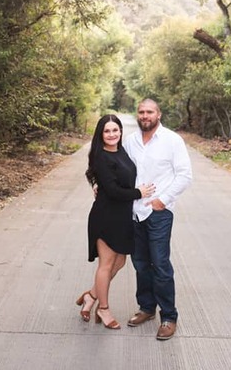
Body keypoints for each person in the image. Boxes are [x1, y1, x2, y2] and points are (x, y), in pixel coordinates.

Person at [76, 114, 155, 329]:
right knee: (107, 264)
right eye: (107, 131)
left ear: (120, 132)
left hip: (123, 217)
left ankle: (91, 296)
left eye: (115, 130)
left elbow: (93, 175)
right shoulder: (102, 156)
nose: (112, 134)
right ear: (101, 135)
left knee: (119, 262)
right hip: (106, 216)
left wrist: (94, 182)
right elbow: (112, 190)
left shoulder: (122, 152)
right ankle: (103, 308)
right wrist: (139, 193)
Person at [123, 98, 193, 340]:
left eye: (149, 112)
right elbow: (120, 170)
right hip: (134, 212)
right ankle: (146, 308)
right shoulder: (130, 141)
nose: (145, 116)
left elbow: (184, 175)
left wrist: (162, 200)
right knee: (140, 263)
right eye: (141, 112)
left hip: (159, 212)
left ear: (159, 114)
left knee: (160, 264)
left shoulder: (172, 141)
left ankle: (169, 316)